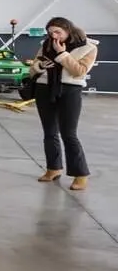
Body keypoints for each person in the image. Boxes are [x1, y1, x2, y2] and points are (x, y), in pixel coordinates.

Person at [28, 16, 98, 191]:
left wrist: (62, 54)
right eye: (51, 32)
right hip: (44, 89)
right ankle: (53, 168)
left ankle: (80, 174)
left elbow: (79, 71)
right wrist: (40, 66)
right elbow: (33, 67)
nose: (54, 36)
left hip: (70, 90)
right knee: (49, 132)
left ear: (68, 30)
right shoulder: (46, 45)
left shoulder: (88, 47)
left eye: (58, 32)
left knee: (69, 134)